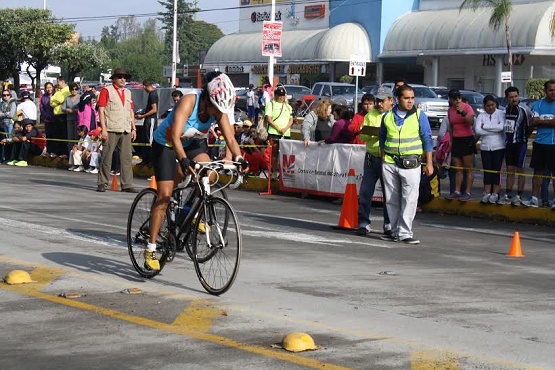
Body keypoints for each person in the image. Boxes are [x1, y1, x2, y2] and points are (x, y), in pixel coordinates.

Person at [145, 71, 248, 270]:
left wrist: (239, 158)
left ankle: (190, 215)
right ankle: (151, 247)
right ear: (207, 98)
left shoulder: (217, 110)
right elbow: (175, 136)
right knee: (165, 195)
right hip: (166, 143)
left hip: (192, 142)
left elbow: (231, 139)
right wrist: (183, 160)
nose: (218, 112)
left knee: (209, 173)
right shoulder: (189, 102)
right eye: (215, 107)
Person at [379, 84, 434, 244]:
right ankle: (394, 231)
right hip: (389, 162)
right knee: (391, 199)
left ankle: (405, 233)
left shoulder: (419, 116)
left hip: (411, 164)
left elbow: (427, 139)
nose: (410, 101)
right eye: (406, 98)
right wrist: (383, 156)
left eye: (412, 98)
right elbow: (382, 137)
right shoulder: (387, 116)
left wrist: (429, 163)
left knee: (409, 199)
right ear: (398, 99)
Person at [357, 86, 393, 237]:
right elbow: (362, 135)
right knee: (365, 192)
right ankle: (364, 223)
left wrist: (383, 135)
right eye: (377, 101)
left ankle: (389, 224)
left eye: (382, 101)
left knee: (389, 195)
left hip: (388, 159)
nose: (379, 104)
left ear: (390, 101)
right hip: (371, 158)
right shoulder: (370, 115)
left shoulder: (394, 115)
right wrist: (372, 134)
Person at [96, 67, 138, 193]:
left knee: (126, 158)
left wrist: (133, 127)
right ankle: (102, 183)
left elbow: (131, 111)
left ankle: (127, 184)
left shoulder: (128, 92)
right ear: (114, 78)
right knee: (107, 156)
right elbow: (101, 110)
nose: (122, 79)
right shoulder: (106, 90)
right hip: (111, 128)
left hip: (125, 128)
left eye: (124, 77)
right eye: (120, 77)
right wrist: (103, 129)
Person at [522, 79, 555, 209]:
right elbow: (532, 122)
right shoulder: (537, 104)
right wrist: (546, 121)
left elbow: (552, 123)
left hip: (553, 144)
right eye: (550, 90)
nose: (553, 92)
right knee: (538, 172)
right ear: (545, 91)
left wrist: (540, 121)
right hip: (539, 143)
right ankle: (534, 199)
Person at [497, 86, 532, 206]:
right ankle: (508, 194)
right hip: (509, 144)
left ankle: (519, 195)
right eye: (511, 97)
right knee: (510, 169)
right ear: (507, 98)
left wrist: (524, 138)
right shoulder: (506, 109)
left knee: (520, 169)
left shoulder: (524, 109)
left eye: (516, 96)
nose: (514, 99)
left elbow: (530, 126)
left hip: (520, 143)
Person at [474, 95, 506, 204]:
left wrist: (485, 127)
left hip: (499, 146)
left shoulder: (501, 114)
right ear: (484, 106)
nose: (490, 107)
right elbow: (478, 130)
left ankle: (495, 194)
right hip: (485, 147)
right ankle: (487, 192)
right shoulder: (481, 116)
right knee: (487, 170)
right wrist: (493, 130)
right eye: (488, 105)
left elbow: (501, 128)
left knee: (497, 170)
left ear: (496, 104)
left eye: (492, 105)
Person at [446, 89, 476, 201]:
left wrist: (463, 112)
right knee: (458, 168)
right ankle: (457, 191)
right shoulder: (450, 111)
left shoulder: (467, 107)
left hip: (467, 139)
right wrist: (451, 140)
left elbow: (471, 122)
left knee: (468, 168)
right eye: (454, 99)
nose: (457, 101)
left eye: (458, 98)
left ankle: (467, 192)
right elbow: (451, 126)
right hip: (456, 139)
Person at [265, 84, 294, 177]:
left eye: (282, 95)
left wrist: (285, 129)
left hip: (286, 133)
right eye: (279, 95)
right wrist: (278, 128)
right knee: (274, 153)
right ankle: (273, 172)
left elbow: (291, 119)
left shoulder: (288, 106)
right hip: (274, 132)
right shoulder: (271, 104)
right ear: (276, 95)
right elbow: (268, 118)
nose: (281, 97)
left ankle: (283, 173)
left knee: (285, 154)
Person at [135, 80, 158, 166]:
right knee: (145, 138)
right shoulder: (151, 94)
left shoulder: (153, 94)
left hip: (151, 119)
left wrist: (143, 116)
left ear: (144, 86)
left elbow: (154, 109)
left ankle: (151, 161)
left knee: (150, 140)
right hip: (148, 119)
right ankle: (146, 159)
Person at [50, 77, 71, 157]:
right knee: (56, 134)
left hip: (63, 115)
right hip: (56, 115)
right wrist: (55, 101)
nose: (57, 84)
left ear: (62, 81)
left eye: (58, 82)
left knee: (63, 134)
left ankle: (64, 152)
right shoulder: (58, 91)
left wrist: (54, 100)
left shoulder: (67, 90)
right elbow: (51, 102)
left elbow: (61, 100)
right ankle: (57, 152)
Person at [63, 82, 81, 153]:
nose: (74, 90)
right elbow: (63, 108)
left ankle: (77, 153)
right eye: (72, 89)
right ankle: (70, 153)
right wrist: (67, 110)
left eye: (76, 89)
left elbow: (82, 108)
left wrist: (75, 110)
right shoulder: (68, 98)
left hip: (78, 120)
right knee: (70, 137)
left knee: (77, 136)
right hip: (69, 120)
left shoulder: (80, 97)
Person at [40, 82, 55, 156]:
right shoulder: (44, 97)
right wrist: (46, 115)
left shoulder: (56, 95)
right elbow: (42, 108)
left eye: (50, 87)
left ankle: (55, 151)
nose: (49, 89)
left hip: (56, 119)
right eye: (47, 87)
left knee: (55, 136)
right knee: (49, 136)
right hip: (47, 119)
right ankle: (49, 151)